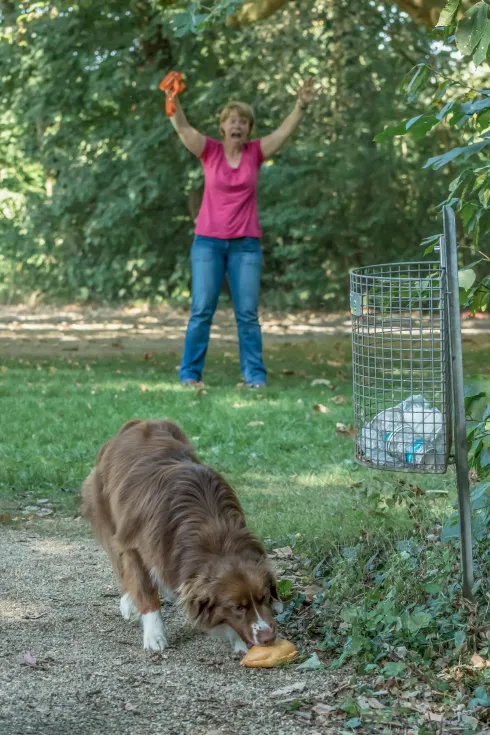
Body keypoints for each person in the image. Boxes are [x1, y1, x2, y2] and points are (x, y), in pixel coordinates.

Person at [169, 78, 316, 387]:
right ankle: (189, 375)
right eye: (231, 120)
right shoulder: (209, 151)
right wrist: (173, 101)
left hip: (245, 246)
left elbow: (284, 131)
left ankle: (255, 377)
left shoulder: (255, 153)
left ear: (249, 129)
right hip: (208, 243)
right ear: (222, 127)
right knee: (201, 311)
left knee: (247, 314)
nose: (237, 125)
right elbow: (183, 129)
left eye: (243, 121)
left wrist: (300, 105)